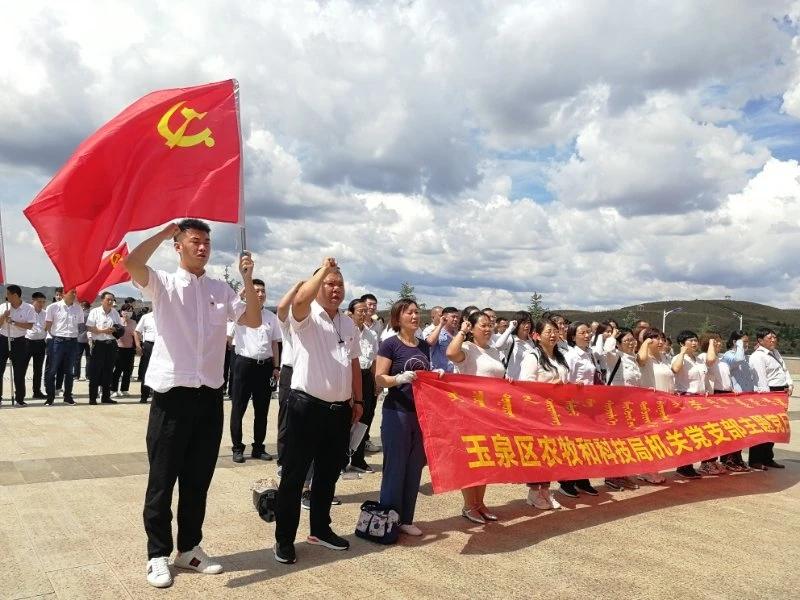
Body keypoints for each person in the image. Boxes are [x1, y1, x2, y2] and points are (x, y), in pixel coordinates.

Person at [124, 219, 261, 588]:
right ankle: (157, 554)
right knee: (163, 479)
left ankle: (189, 549)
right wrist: (162, 230)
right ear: (178, 245)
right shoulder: (164, 284)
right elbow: (130, 263)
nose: (202, 247)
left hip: (210, 397)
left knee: (198, 479)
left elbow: (252, 317)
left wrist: (247, 278)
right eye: (194, 241)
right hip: (172, 397)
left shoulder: (220, 288)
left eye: (206, 242)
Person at [274, 257, 362, 565]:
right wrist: (323, 268)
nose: (336, 288)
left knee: (328, 474)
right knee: (295, 476)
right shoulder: (306, 316)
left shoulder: (348, 323)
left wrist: (358, 400)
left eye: (340, 283)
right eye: (329, 283)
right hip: (305, 407)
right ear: (318, 284)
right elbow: (298, 299)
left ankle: (320, 529)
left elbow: (353, 363)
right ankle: (284, 539)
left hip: (338, 411)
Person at [374, 298, 430, 537]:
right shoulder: (389, 345)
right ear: (398, 318)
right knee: (395, 466)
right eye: (409, 313)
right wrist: (398, 379)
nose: (415, 317)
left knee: (414, 466)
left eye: (417, 312)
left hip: (419, 414)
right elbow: (379, 377)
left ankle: (406, 518)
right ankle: (387, 519)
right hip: (396, 412)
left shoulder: (424, 345)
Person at [447, 310, 504, 524]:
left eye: (490, 325)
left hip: (492, 414)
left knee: (486, 459)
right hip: (470, 412)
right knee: (472, 460)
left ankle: (480, 503)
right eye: (483, 325)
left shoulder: (495, 351)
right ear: (472, 327)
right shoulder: (467, 348)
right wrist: (462, 332)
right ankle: (468, 505)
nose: (488, 329)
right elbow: (451, 354)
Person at [229, 278, 281, 463]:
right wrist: (243, 292)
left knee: (262, 410)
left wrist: (276, 366)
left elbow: (274, 343)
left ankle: (258, 447)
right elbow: (230, 304)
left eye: (262, 291)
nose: (260, 294)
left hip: (265, 366)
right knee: (238, 408)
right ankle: (237, 447)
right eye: (256, 290)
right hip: (244, 365)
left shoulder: (271, 317)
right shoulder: (239, 313)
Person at [518, 318, 567, 510]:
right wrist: (549, 389)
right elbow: (525, 386)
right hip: (537, 414)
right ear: (537, 336)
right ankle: (533, 492)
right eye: (548, 332)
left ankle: (546, 490)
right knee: (539, 453)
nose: (553, 335)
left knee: (552, 453)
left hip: (557, 413)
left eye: (555, 331)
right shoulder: (532, 356)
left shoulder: (559, 356)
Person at [671, 330, 722, 478]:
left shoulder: (699, 359)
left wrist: (711, 342)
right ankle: (683, 466)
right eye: (690, 340)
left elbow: (710, 362)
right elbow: (675, 369)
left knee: (697, 435)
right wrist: (682, 353)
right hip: (685, 400)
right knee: (686, 435)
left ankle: (691, 464)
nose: (694, 343)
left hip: (700, 401)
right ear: (682, 343)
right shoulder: (678, 358)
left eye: (695, 340)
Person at [559, 322, 602, 497]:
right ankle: (567, 481)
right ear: (572, 336)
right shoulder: (570, 355)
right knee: (573, 445)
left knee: (586, 444)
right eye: (582, 333)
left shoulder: (589, 354)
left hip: (588, 405)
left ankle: (582, 479)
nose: (587, 335)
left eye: (588, 332)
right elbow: (565, 381)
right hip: (573, 406)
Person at [748, 327, 792, 470]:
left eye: (774, 337)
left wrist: (789, 384)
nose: (773, 340)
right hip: (768, 394)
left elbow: (784, 370)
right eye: (769, 338)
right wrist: (767, 400)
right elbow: (761, 380)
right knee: (762, 428)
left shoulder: (775, 353)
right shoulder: (757, 356)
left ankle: (768, 458)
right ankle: (755, 460)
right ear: (760, 340)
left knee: (774, 427)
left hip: (780, 393)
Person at [346, 297, 379, 473]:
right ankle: (341, 460)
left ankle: (358, 459)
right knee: (346, 418)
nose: (365, 314)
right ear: (350, 313)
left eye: (366, 311)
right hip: (348, 376)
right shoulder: (345, 332)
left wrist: (375, 382)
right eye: (361, 311)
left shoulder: (371, 334)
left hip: (366, 377)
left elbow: (374, 360)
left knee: (364, 418)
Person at [275, 281, 303, 471]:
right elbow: (281, 307)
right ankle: (283, 460)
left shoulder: (313, 320)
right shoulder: (289, 322)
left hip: (307, 372)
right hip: (290, 371)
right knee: (286, 418)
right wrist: (298, 286)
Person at [718, 330, 754, 471]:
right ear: (734, 342)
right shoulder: (729, 356)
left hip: (745, 398)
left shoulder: (745, 357)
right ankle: (728, 459)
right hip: (733, 399)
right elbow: (737, 360)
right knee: (732, 430)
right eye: (743, 341)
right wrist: (739, 346)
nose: (746, 344)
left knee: (742, 431)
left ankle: (737, 457)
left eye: (747, 341)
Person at [44, 288, 84, 406]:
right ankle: (50, 397)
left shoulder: (78, 308)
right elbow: (48, 325)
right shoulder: (53, 307)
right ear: (63, 294)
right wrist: (54, 338)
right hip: (57, 341)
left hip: (72, 342)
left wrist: (74, 335)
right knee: (52, 370)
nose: (74, 295)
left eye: (75, 293)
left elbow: (81, 326)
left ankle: (68, 397)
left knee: (69, 372)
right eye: (72, 292)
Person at [0, 285, 36, 406]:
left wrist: (14, 322)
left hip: (20, 341)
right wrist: (3, 316)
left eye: (8, 294)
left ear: (15, 295)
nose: (6, 296)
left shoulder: (28, 308)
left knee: (19, 372)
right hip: (3, 340)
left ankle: (20, 398)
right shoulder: (3, 307)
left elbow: (30, 325)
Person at [86, 291, 121, 405]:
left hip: (111, 344)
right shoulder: (95, 312)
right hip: (99, 344)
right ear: (102, 300)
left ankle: (106, 396)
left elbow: (119, 326)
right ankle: (92, 397)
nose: (110, 302)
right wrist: (103, 331)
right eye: (108, 299)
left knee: (108, 371)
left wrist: (115, 330)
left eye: (112, 300)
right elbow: (90, 327)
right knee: (95, 371)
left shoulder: (115, 313)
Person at [498, 311, 535, 380]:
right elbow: (498, 346)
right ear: (517, 325)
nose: (527, 326)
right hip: (513, 383)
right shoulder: (511, 339)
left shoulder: (532, 342)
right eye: (523, 323)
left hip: (528, 383)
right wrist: (510, 328)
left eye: (529, 322)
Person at [25, 291, 48, 400]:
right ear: (33, 301)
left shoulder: (45, 313)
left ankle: (37, 391)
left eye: (43, 302)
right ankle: (20, 392)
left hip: (40, 343)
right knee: (22, 368)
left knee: (38, 369)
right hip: (27, 342)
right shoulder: (27, 312)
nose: (41, 304)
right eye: (39, 301)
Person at [112, 303, 138, 398]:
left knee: (128, 370)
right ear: (122, 311)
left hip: (130, 349)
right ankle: (114, 389)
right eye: (126, 310)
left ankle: (124, 389)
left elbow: (135, 334)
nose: (128, 313)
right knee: (117, 370)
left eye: (130, 311)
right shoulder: (117, 321)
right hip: (118, 348)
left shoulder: (134, 322)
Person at [134, 308, 158, 403]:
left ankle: (157, 396)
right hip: (149, 345)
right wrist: (138, 345)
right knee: (146, 370)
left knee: (160, 371)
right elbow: (137, 331)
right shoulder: (146, 317)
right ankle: (144, 396)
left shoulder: (167, 316)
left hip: (162, 346)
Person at [426, 306, 459, 373]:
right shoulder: (437, 332)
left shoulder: (458, 335)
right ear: (444, 317)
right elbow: (429, 342)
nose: (455, 319)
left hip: (455, 375)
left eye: (457, 317)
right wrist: (441, 324)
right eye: (453, 317)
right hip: (440, 374)